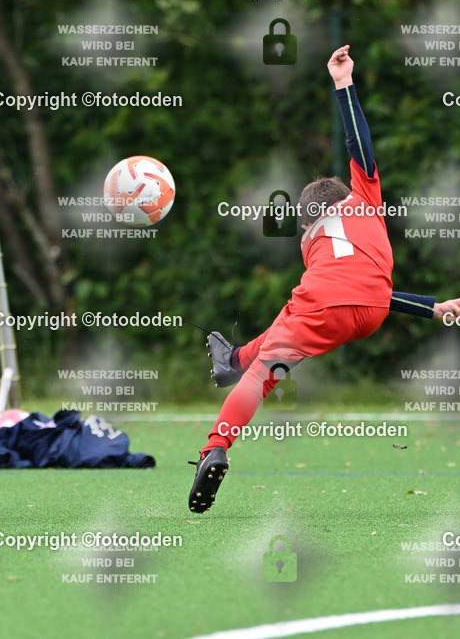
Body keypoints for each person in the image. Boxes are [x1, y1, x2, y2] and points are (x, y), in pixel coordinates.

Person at [189, 45, 444, 514]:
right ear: (345, 196)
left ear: (309, 223)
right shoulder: (365, 199)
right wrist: (344, 83)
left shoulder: (309, 241)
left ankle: (214, 448)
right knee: (284, 322)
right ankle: (235, 358)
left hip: (326, 305)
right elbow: (358, 144)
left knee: (264, 373)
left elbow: (333, 289)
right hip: (374, 310)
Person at [206, 291, 460, 388]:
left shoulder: (335, 238)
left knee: (296, 311)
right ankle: (236, 361)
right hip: (347, 315)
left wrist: (433, 308)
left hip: (330, 315)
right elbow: (374, 294)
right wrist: (432, 308)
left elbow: (373, 294)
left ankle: (235, 362)